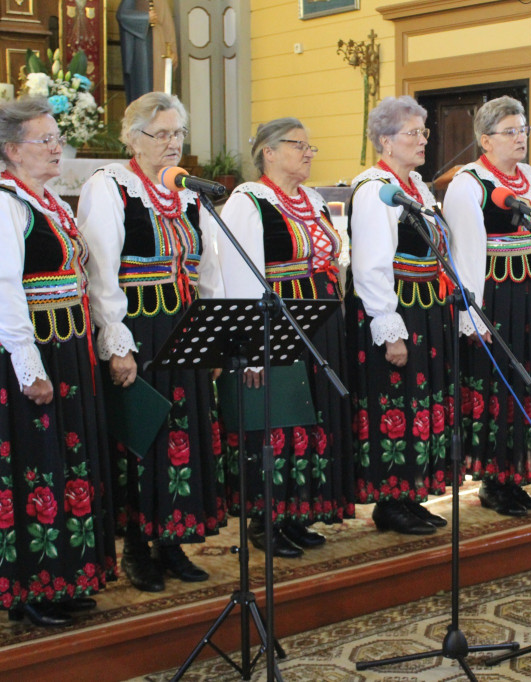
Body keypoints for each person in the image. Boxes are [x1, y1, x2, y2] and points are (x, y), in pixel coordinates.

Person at [0, 97, 116, 627]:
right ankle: (29, 586)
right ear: (12, 149)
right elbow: (3, 289)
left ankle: (68, 576)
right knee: (32, 460)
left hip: (67, 343)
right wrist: (29, 365)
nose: (58, 148)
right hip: (28, 348)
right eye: (45, 140)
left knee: (68, 459)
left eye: (58, 138)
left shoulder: (49, 200)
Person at [77, 91, 225, 592]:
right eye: (160, 134)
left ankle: (173, 539)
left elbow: (207, 268)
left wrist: (215, 337)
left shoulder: (186, 193)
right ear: (132, 138)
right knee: (144, 436)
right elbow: (101, 270)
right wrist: (116, 340)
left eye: (177, 133)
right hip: (140, 328)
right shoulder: (109, 187)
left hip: (183, 327)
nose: (171, 143)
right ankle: (137, 546)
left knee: (184, 434)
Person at [217, 118, 354, 557]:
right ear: (268, 153)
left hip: (319, 315)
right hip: (277, 319)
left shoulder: (312, 199)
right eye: (299, 145)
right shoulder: (248, 201)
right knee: (278, 416)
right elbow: (239, 276)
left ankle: (297, 511)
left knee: (310, 414)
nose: (309, 153)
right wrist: (252, 348)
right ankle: (265, 518)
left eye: (310, 146)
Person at [442, 95, 531, 517]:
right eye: (510, 131)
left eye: (524, 129)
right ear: (485, 139)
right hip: (498, 298)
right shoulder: (469, 183)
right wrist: (470, 316)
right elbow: (465, 253)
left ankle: (518, 476)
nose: (520, 137)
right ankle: (494, 481)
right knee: (500, 385)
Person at [346, 95, 453, 535]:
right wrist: (389, 328)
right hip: (396, 306)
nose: (422, 140)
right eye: (413, 132)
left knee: (418, 402)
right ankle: (390, 500)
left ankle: (411, 493)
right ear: (386, 142)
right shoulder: (375, 188)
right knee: (395, 401)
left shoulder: (415, 188)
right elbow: (371, 264)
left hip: (425, 305)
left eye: (424, 131)